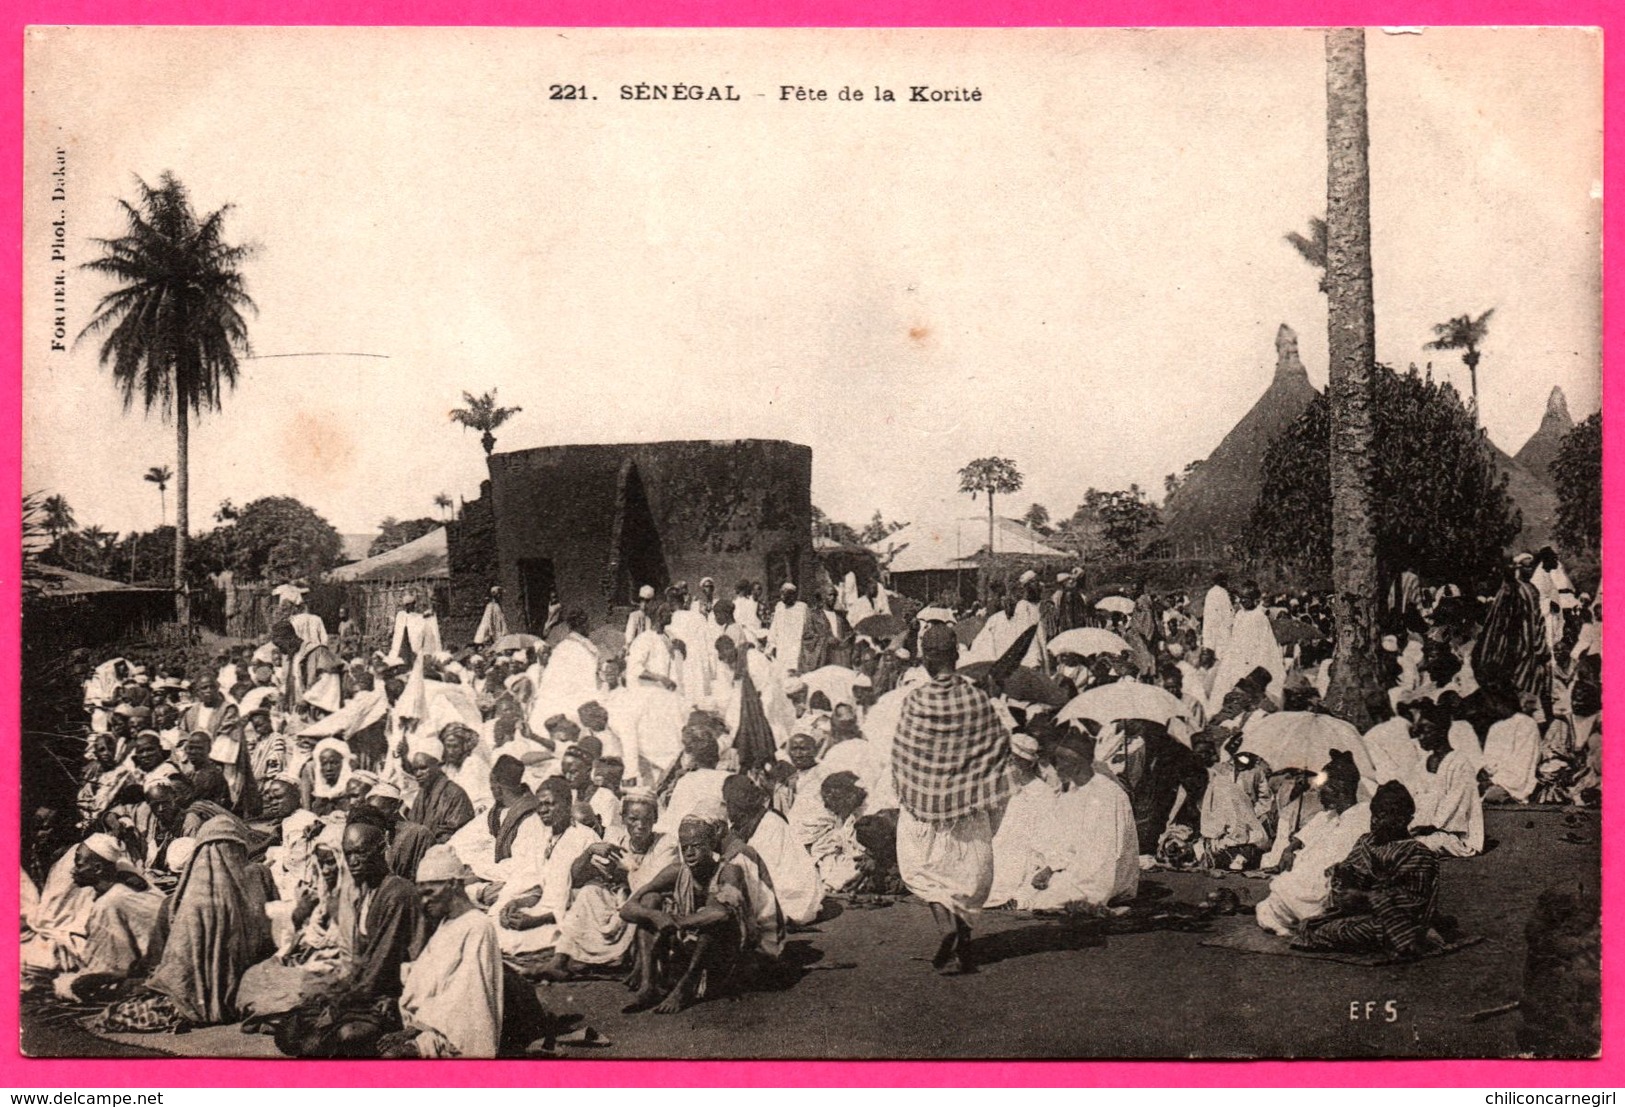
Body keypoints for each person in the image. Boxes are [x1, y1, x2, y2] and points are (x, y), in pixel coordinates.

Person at [891, 623, 1012, 974]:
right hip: (968, 805)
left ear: (926, 659)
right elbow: (996, 746)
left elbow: (903, 752)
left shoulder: (916, 698)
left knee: (924, 869)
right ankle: (965, 946)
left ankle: (945, 928)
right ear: (957, 656)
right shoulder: (976, 697)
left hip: (925, 805)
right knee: (966, 872)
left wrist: (912, 786)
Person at [94, 816, 277, 1032]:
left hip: (196, 1000)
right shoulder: (258, 880)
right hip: (245, 993)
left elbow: (177, 967)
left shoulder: (192, 902)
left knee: (119, 1010)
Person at [620, 813, 773, 1014]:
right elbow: (627, 908)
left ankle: (685, 986)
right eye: (685, 848)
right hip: (687, 946)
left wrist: (677, 921)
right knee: (649, 902)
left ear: (711, 845)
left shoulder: (729, 871)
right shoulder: (676, 871)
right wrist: (655, 916)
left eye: (696, 846)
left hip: (722, 953)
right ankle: (648, 985)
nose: (690, 853)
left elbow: (720, 914)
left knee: (710, 915)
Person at [542, 789, 679, 979]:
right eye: (633, 819)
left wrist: (626, 870)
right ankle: (559, 961)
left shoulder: (666, 843)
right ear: (623, 819)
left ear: (655, 818)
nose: (640, 825)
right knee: (589, 891)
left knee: (637, 901)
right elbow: (577, 878)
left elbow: (654, 884)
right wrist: (589, 852)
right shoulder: (617, 839)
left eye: (647, 819)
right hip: (620, 895)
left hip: (646, 898)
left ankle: (606, 960)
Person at [1296, 781, 1440, 958]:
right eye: (1373, 815)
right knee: (1311, 926)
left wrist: (1366, 897)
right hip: (1362, 914)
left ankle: (1419, 936)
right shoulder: (1366, 841)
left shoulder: (1417, 852)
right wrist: (1342, 874)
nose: (1374, 821)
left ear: (1402, 820)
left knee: (1372, 931)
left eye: (1381, 816)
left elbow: (1413, 899)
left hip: (1396, 919)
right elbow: (1348, 872)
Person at [383, 846, 503, 1059]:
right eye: (421, 894)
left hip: (456, 1034)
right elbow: (429, 982)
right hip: (431, 1024)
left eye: (430, 893)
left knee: (392, 1057)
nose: (424, 902)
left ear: (454, 885)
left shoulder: (478, 926)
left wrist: (414, 1030)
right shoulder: (446, 924)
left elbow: (465, 998)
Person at [1255, 751, 1372, 936]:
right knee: (1278, 894)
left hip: (1328, 886)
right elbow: (1300, 839)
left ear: (1337, 789)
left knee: (1282, 894)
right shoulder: (1328, 816)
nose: (1317, 792)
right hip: (1307, 882)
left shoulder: (1362, 816)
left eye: (1323, 787)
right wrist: (1290, 849)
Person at [1024, 725, 1139, 910]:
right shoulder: (1074, 791)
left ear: (1077, 764)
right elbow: (1067, 838)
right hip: (1077, 861)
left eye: (1061, 762)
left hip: (1103, 868)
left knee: (1056, 898)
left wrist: (1056, 870)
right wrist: (1052, 866)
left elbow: (1105, 851)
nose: (1057, 768)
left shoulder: (1107, 794)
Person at [482, 776, 597, 957]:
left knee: (527, 939)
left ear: (567, 804)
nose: (543, 810)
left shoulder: (585, 838)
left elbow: (582, 897)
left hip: (567, 915)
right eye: (539, 805)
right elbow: (540, 887)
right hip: (542, 907)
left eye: (549, 804)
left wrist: (536, 920)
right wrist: (517, 903)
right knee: (497, 928)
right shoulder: (540, 836)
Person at [988, 733, 1061, 907]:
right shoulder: (1004, 787)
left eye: (1011, 760)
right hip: (1001, 847)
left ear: (1025, 763)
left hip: (1027, 852)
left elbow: (1048, 835)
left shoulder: (1042, 793)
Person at [1472, 555, 1551, 708]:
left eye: (1531, 566)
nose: (1530, 570)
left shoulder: (1532, 588)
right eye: (1525, 566)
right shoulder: (1511, 587)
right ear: (1518, 568)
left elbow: (1536, 617)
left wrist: (1538, 641)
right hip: (1513, 639)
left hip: (1531, 639)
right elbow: (1501, 615)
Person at [1408, 702, 1485, 857]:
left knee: (1415, 847)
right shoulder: (1421, 764)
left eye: (1426, 731)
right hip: (1419, 829)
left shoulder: (1460, 763)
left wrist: (1430, 826)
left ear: (1442, 731)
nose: (1420, 738)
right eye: (1419, 732)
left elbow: (1456, 804)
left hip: (1449, 834)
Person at [1207, 582, 1285, 710]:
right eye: (1241, 598)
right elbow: (1235, 639)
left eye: (1246, 599)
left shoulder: (1259, 617)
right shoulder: (1239, 615)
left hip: (1253, 659)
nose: (1243, 601)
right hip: (1236, 658)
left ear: (1255, 600)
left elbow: (1265, 645)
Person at [401, 733, 475, 845]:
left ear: (438, 765)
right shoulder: (422, 794)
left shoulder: (455, 794)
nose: (418, 774)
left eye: (423, 768)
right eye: (415, 770)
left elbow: (456, 836)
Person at [1202, 573, 1234, 656]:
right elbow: (1228, 614)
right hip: (1221, 630)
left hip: (1211, 630)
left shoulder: (1210, 592)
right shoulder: (1222, 592)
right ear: (1223, 581)